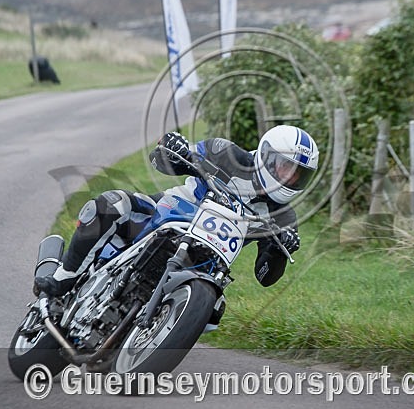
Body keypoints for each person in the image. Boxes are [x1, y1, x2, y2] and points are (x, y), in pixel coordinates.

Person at [34, 125, 319, 297]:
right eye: (286, 167)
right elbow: (162, 159)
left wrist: (280, 252)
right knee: (110, 203)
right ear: (267, 156)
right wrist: (174, 148)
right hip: (164, 213)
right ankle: (66, 276)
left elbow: (265, 276)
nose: (289, 178)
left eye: (298, 175)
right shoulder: (227, 153)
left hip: (206, 262)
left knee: (213, 311)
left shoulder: (284, 216)